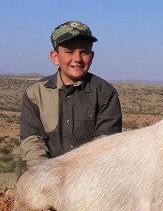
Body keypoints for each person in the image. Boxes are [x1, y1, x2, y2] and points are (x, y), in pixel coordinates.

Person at [20, 21, 122, 168]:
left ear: (92, 56)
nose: (77, 59)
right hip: (44, 176)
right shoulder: (35, 93)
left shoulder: (106, 93)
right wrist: (46, 176)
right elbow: (32, 143)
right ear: (55, 57)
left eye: (84, 52)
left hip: (87, 178)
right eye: (69, 51)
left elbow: (104, 146)